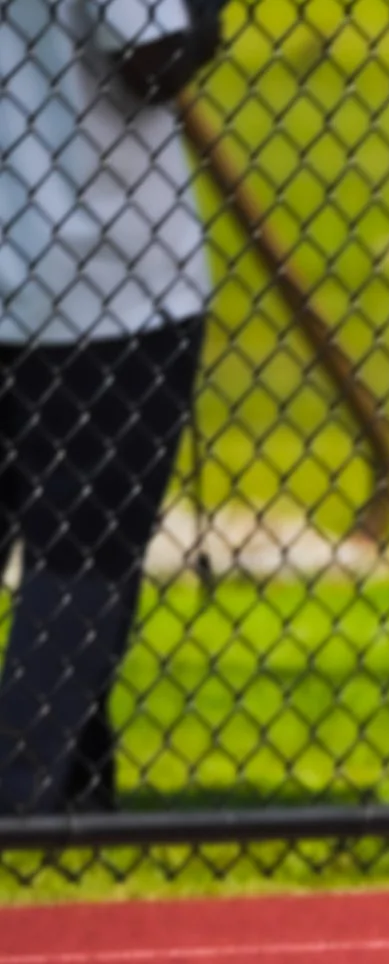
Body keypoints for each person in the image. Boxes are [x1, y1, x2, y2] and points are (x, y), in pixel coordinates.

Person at [1, 1, 220, 813]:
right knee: (82, 558)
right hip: (105, 275)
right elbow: (149, 54)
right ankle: (18, 799)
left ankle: (78, 793)